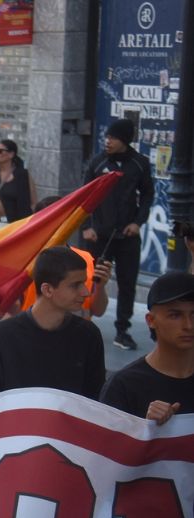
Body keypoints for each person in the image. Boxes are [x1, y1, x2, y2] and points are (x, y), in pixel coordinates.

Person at [0, 246, 105, 399]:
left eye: (84, 283)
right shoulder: (1, 337)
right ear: (47, 290)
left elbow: (95, 402)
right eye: (75, 285)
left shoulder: (89, 336)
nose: (85, 292)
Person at [82, 118, 154, 351]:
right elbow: (85, 196)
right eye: (107, 137)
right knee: (91, 278)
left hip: (127, 235)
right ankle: (85, 322)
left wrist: (138, 222)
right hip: (99, 234)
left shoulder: (139, 163)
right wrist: (87, 227)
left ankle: (122, 330)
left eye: (113, 138)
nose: (108, 141)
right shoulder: (98, 163)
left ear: (124, 140)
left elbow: (147, 195)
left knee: (127, 282)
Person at [99, 271, 194, 424]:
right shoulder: (123, 386)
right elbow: (105, 438)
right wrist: (145, 428)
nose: (188, 325)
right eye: (175, 315)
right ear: (151, 320)